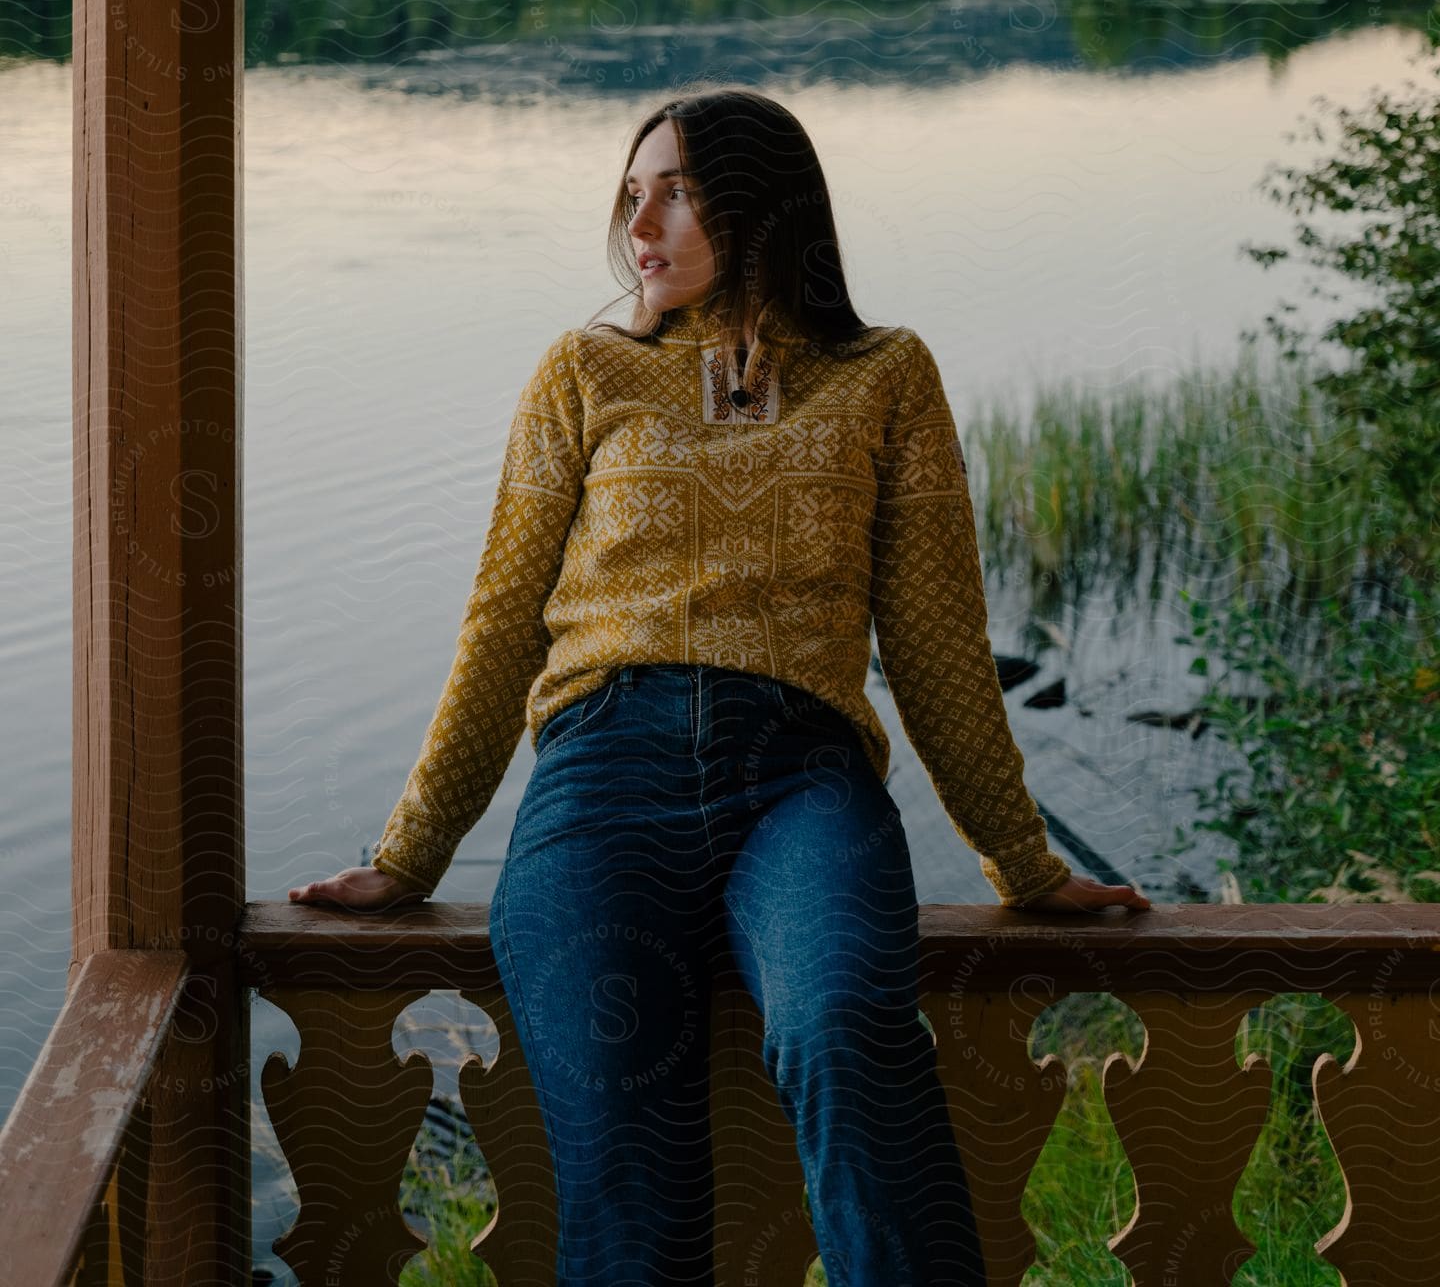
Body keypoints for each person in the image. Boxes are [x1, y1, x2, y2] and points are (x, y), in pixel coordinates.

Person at [291, 87, 1151, 1285]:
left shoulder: (885, 375)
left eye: (678, 191)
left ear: (763, 206)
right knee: (628, 1181)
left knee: (847, 1033)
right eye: (630, 194)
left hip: (801, 781)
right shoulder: (582, 373)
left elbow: (939, 641)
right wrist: (414, 852)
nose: (640, 223)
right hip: (600, 782)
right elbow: (500, 623)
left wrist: (1024, 862)